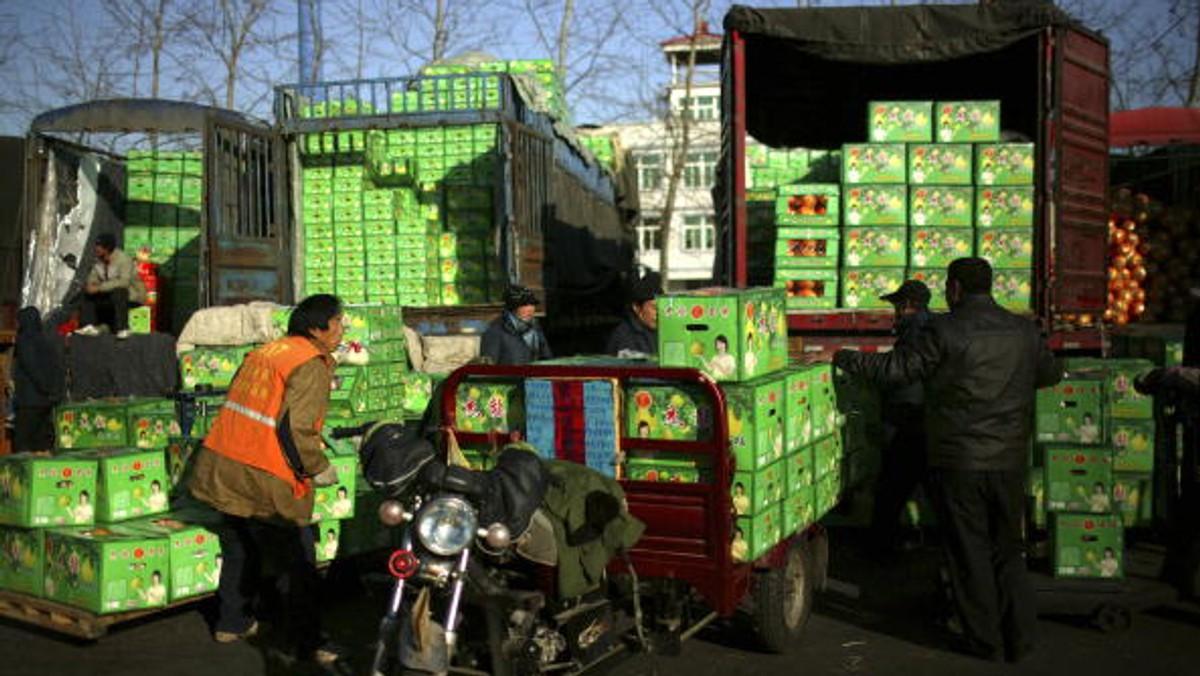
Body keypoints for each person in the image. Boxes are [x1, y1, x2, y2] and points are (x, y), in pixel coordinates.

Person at [833, 257, 1061, 663]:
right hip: (1009, 459)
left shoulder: (945, 330)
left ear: (955, 289)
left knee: (968, 549)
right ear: (990, 286)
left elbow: (896, 370)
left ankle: (984, 640)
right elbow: (1049, 374)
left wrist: (847, 357)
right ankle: (1022, 639)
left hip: (959, 459)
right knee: (1008, 549)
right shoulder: (1023, 330)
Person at [189, 294, 345, 667]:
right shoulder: (310, 363)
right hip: (265, 474)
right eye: (337, 323)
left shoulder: (268, 352)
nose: (342, 330)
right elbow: (297, 428)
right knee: (299, 563)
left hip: (224, 464)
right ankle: (307, 643)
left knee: (239, 544)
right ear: (316, 329)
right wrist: (317, 466)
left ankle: (232, 622)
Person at [869, 280, 934, 555]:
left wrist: (889, 419)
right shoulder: (931, 327)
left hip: (910, 422)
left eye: (896, 305)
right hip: (927, 421)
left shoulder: (914, 331)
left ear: (906, 305)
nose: (894, 312)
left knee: (891, 490)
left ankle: (884, 549)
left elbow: (904, 381)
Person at [75, 233, 147, 339]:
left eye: (99, 246)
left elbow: (124, 282)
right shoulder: (98, 261)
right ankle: (89, 326)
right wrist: (91, 285)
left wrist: (99, 287)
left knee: (119, 291)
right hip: (109, 294)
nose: (96, 248)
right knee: (86, 292)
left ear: (107, 248)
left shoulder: (123, 259)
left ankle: (123, 328)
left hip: (132, 295)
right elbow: (92, 277)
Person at [13, 307, 64, 452]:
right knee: (41, 440)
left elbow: (32, 367)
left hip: (29, 400)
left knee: (23, 439)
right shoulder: (43, 338)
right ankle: (42, 471)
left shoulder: (24, 339)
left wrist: (44, 387)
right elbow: (54, 367)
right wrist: (52, 391)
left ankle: (23, 472)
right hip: (45, 401)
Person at [480, 284, 552, 365]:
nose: (530, 309)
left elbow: (546, 358)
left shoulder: (534, 326)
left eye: (532, 303)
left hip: (534, 376)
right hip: (510, 377)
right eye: (524, 304)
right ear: (513, 307)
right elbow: (488, 368)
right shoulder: (495, 330)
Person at [606, 270, 662, 358]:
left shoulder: (663, 330)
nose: (659, 313)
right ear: (636, 308)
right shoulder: (624, 336)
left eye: (662, 308)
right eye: (654, 308)